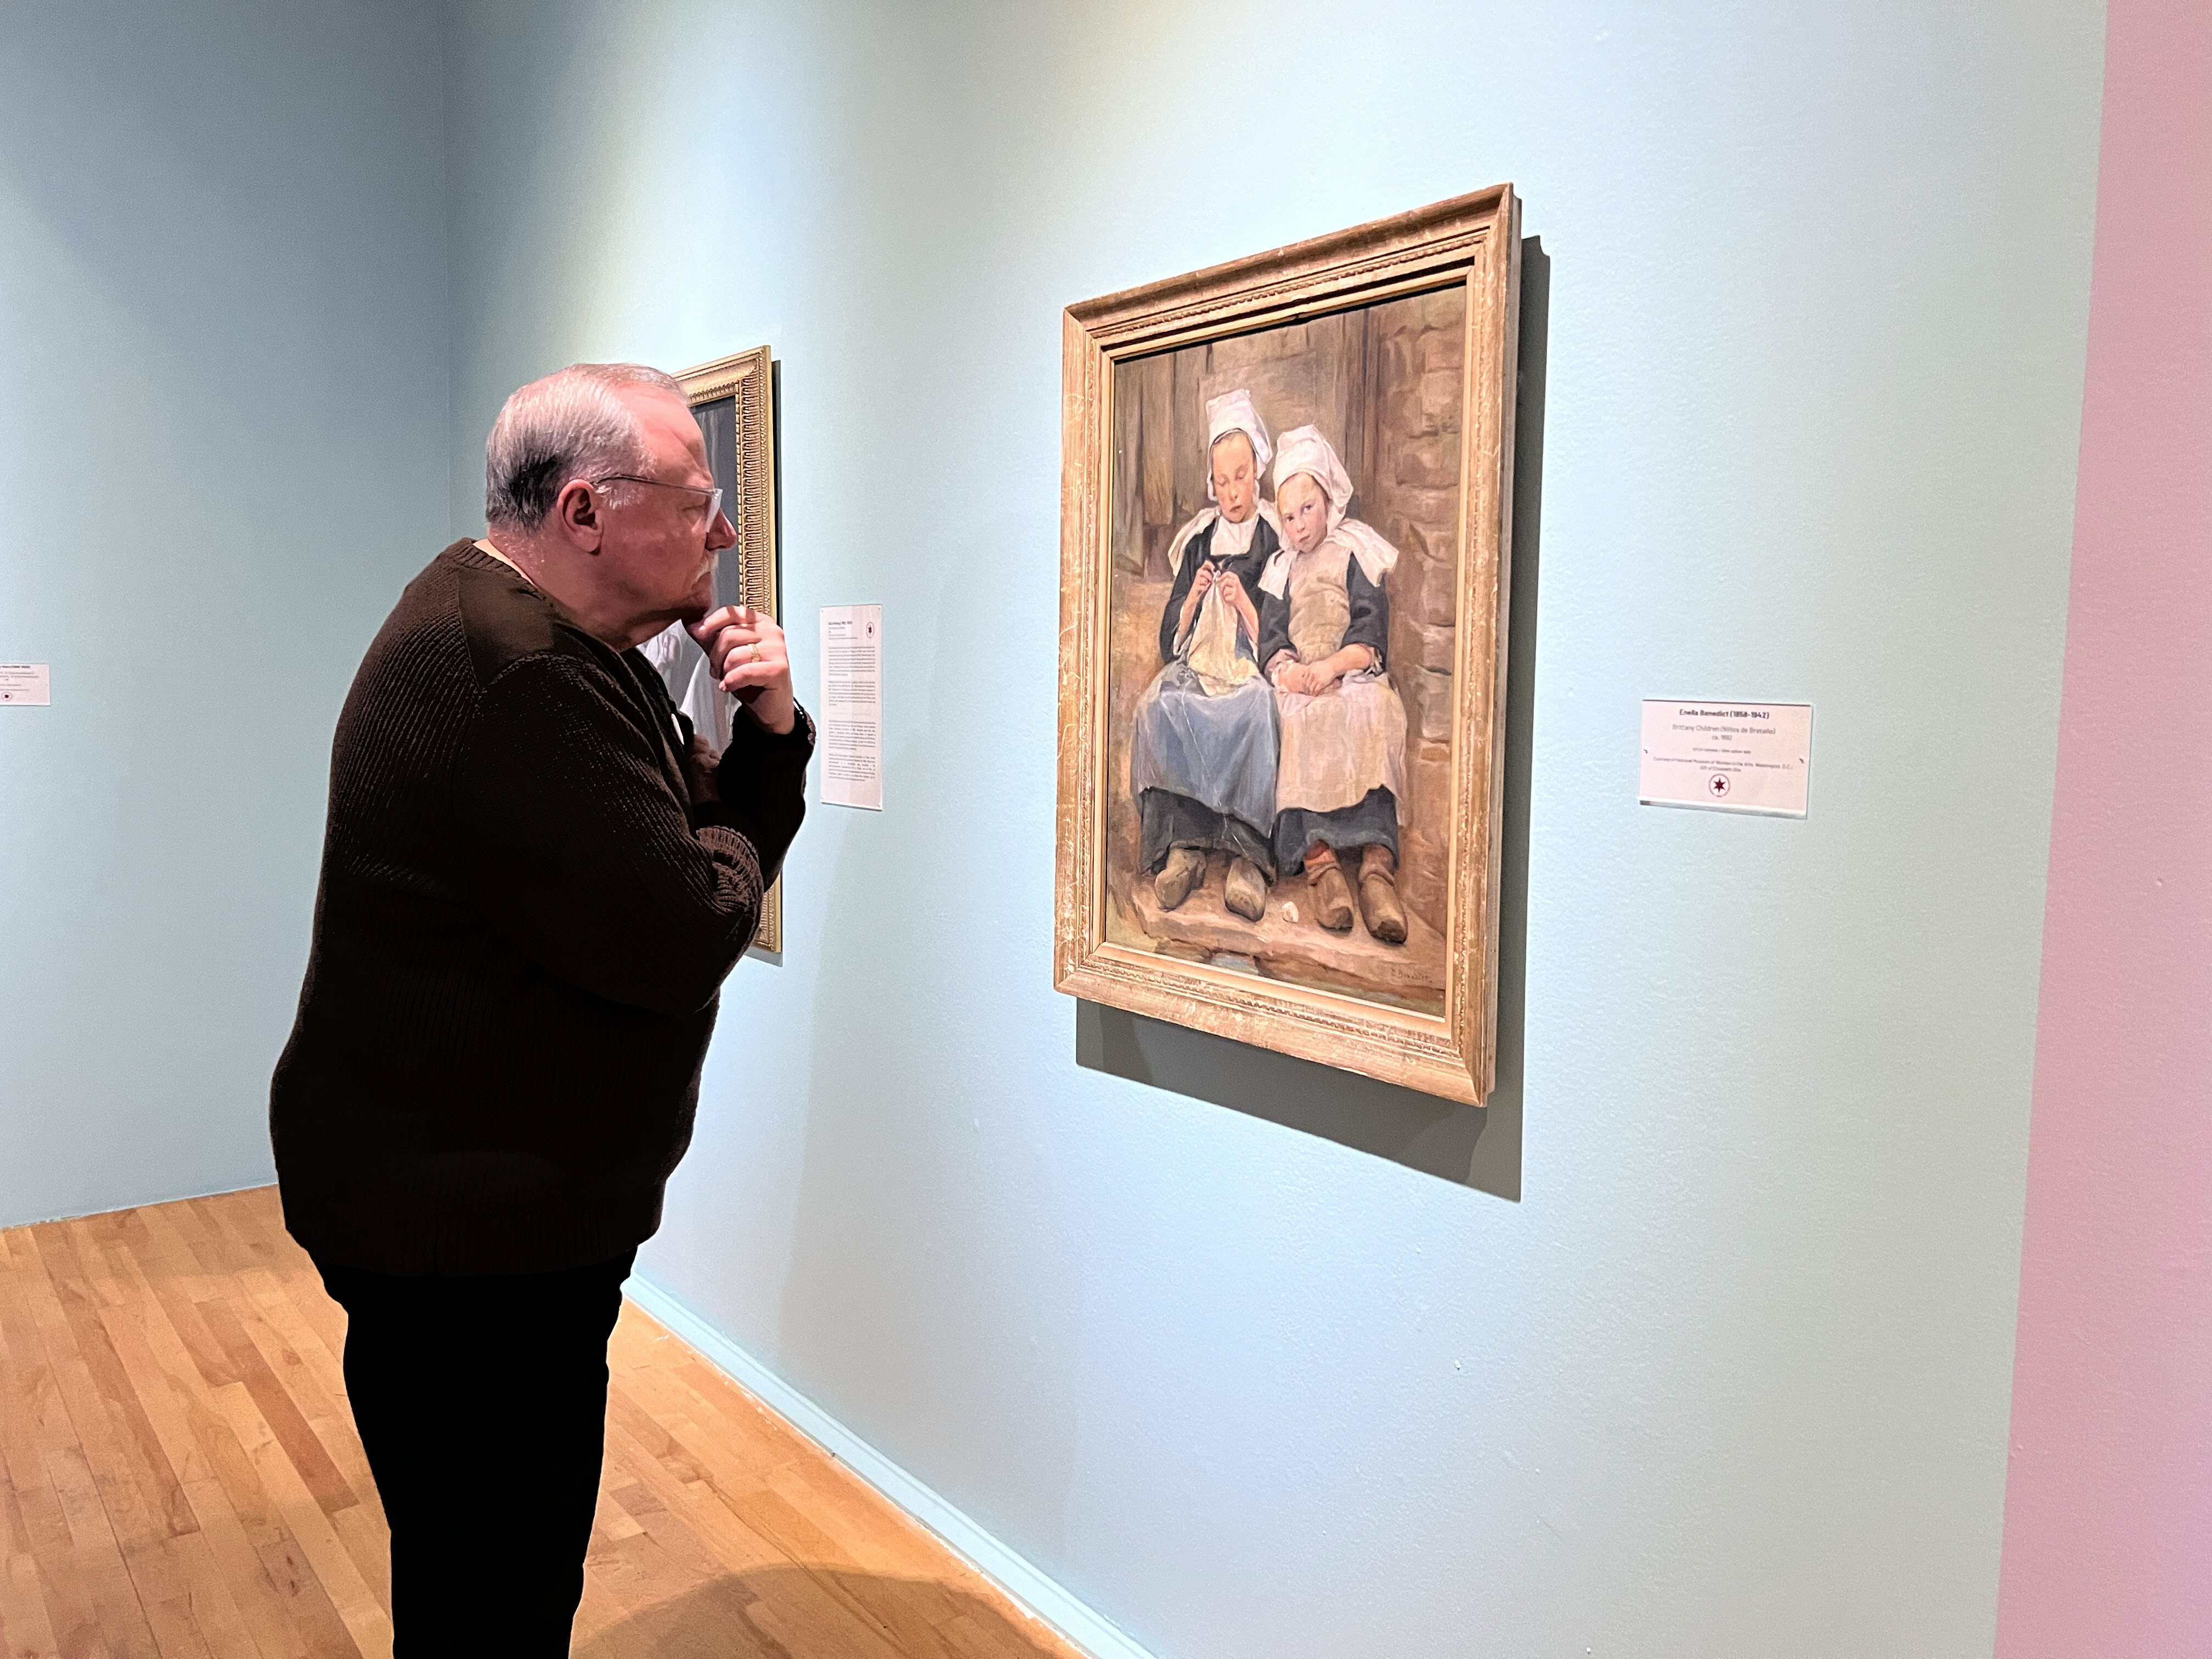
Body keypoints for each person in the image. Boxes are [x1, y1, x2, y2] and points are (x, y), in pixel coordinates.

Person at [268, 362, 813, 1655]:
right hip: (471, 1229)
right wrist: (774, 759)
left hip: (452, 1199)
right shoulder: (517, 674)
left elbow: (669, 839)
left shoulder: (527, 632)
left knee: (474, 1554)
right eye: (697, 499)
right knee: (495, 1583)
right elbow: (686, 926)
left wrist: (735, 776)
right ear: (585, 512)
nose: (723, 530)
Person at [1127, 389, 1285, 922]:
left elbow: (1282, 635)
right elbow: (1168, 638)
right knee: (1159, 704)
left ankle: (1245, 856)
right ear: (1211, 483)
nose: (1233, 491)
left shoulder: (1274, 539)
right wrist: (1194, 595)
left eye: (1241, 476)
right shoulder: (1198, 539)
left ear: (1257, 471)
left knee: (1260, 711)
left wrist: (1243, 605)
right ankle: (1185, 847)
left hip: (1246, 673)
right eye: (1222, 480)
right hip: (1199, 672)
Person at [1257, 424, 1410, 944]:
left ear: (1329, 502)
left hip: (1349, 671)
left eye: (1308, 510)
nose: (1299, 526)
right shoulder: (1280, 570)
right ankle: (1321, 863)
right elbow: (1272, 642)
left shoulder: (1355, 553)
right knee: (1298, 724)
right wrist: (1294, 671)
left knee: (1378, 711)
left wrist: (1334, 667)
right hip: (1304, 682)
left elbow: (1370, 631)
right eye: (1289, 515)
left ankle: (1375, 865)